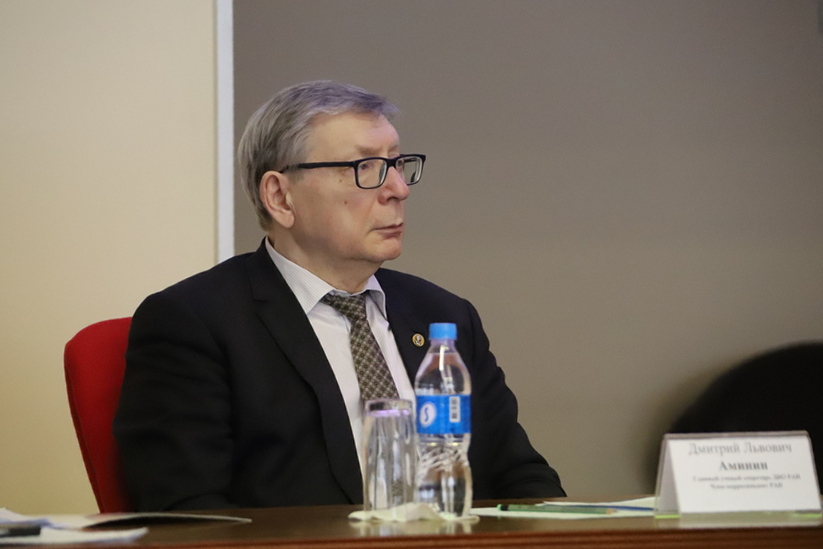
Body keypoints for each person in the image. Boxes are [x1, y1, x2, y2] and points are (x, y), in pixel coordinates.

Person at [114, 81, 564, 511]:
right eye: (364, 168)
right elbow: (191, 515)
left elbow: (520, 476)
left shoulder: (444, 316)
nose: (398, 189)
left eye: (396, 164)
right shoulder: (196, 323)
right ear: (280, 197)